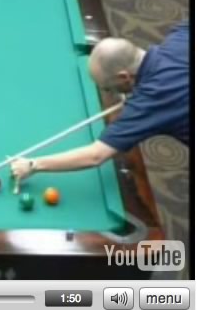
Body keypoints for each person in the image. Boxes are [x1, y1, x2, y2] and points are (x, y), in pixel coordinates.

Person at [10, 21, 189, 191]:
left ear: (124, 77)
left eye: (108, 89)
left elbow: (95, 156)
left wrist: (33, 165)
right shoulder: (181, 35)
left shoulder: (149, 104)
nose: (110, 93)